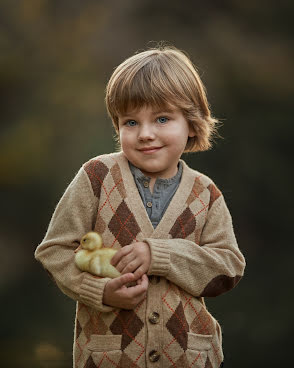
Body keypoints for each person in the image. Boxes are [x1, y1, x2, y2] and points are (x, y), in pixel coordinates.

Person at [35, 44, 246, 368]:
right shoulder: (97, 177)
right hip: (109, 356)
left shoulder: (206, 192)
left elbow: (228, 267)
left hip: (190, 357)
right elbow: (54, 250)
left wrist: (160, 255)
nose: (145, 134)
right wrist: (101, 292)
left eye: (162, 118)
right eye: (131, 122)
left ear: (191, 123)